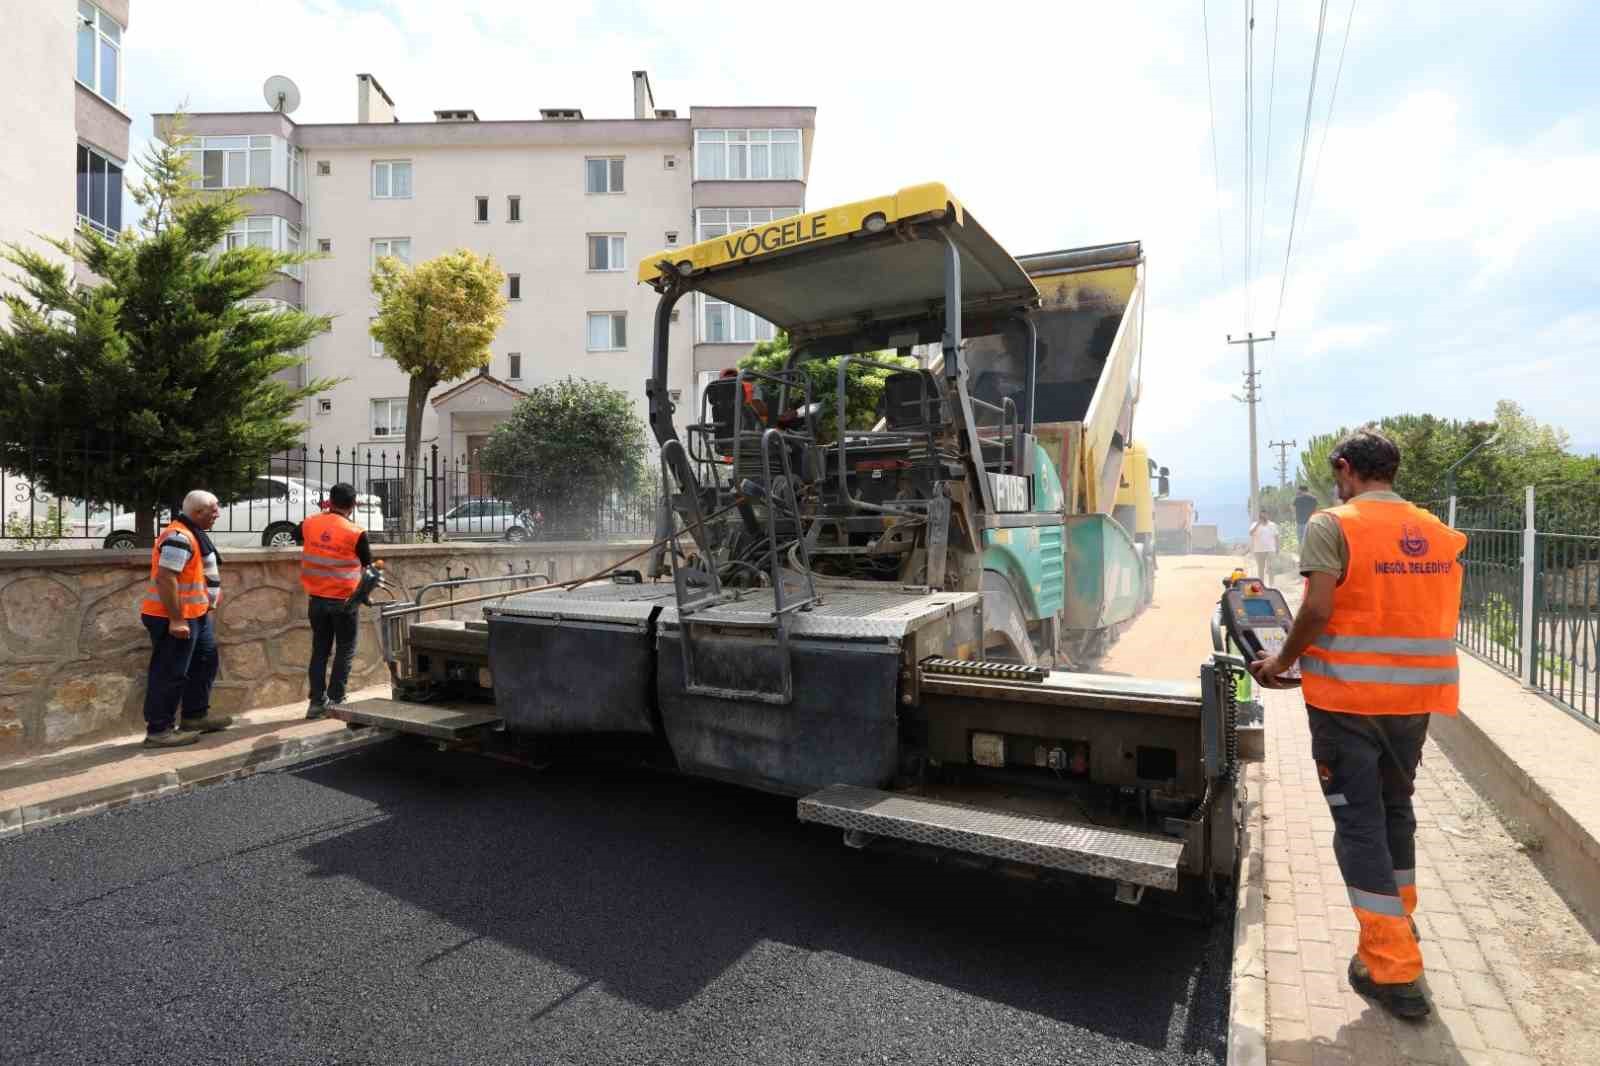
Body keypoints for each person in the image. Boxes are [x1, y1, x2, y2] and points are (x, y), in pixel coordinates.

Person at [1247, 427, 1467, 1020]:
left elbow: (1318, 608)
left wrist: (1279, 662)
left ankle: (1393, 970)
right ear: (1392, 471)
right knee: (1396, 814)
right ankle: (1399, 930)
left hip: (1347, 705)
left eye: (1337, 474)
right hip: (1414, 705)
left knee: (1359, 827)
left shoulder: (1333, 523)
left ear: (1345, 468)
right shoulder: (1439, 533)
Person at [138, 490, 233, 747]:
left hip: (196, 615)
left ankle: (194, 717)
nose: (217, 515)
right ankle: (159, 730)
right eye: (213, 511)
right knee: (170, 673)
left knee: (205, 662)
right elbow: (166, 577)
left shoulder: (193, 534)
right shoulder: (179, 536)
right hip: (176, 617)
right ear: (197, 513)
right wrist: (177, 620)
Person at [299, 482, 372, 719]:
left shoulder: (310, 523)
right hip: (344, 601)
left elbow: (293, 534)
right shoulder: (355, 532)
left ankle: (317, 703)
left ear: (329, 502)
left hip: (316, 599)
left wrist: (322, 516)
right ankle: (337, 698)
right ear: (353, 505)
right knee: (345, 649)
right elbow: (368, 564)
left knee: (319, 650)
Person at [1248, 510, 1279, 583]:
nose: (1263, 517)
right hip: (1259, 550)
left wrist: (1277, 547)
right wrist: (1258, 524)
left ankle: (1272, 584)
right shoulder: (1255, 524)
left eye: (1264, 515)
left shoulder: (1272, 525)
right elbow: (1250, 533)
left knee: (1271, 567)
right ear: (1259, 516)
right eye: (1261, 516)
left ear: (1267, 515)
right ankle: (1261, 584)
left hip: (1270, 549)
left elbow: (1276, 536)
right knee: (1261, 568)